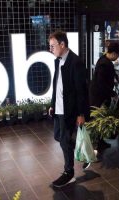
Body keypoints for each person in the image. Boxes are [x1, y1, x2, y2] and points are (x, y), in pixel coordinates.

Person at [48, 30, 89, 188]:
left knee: (64, 140)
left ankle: (69, 172)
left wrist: (81, 114)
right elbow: (56, 84)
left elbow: (81, 91)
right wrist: (52, 104)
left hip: (69, 110)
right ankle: (80, 152)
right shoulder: (58, 61)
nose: (51, 49)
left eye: (53, 46)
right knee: (59, 137)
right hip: (58, 108)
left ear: (62, 44)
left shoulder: (76, 62)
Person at [89, 42, 119, 149]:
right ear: (113, 53)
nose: (117, 58)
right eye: (117, 55)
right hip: (99, 97)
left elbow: (110, 75)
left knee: (100, 120)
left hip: (100, 95)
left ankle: (100, 142)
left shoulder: (104, 59)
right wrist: (112, 94)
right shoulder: (105, 63)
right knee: (98, 119)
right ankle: (95, 145)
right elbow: (101, 83)